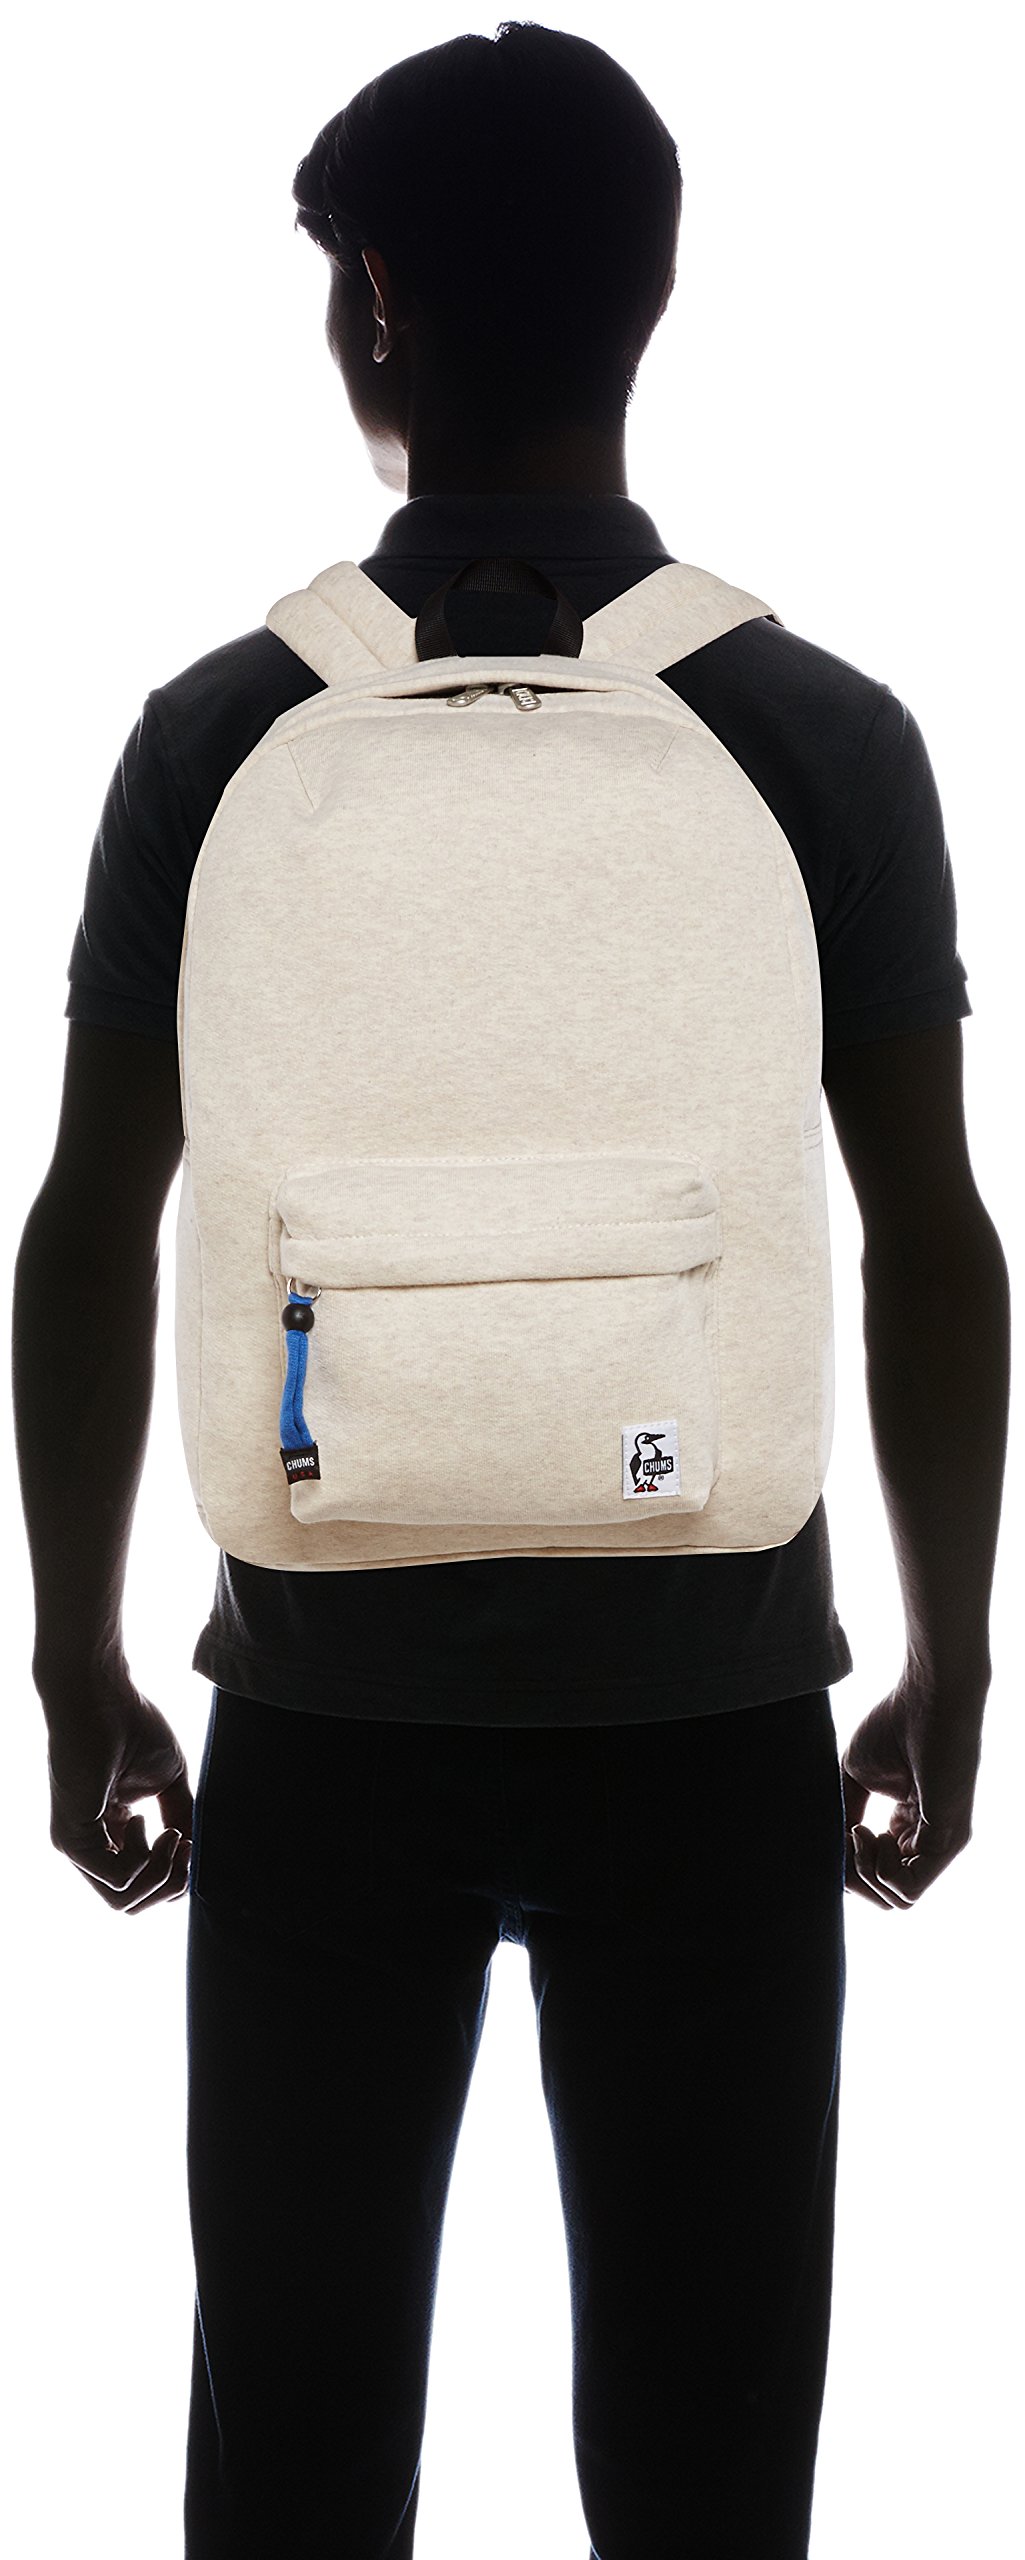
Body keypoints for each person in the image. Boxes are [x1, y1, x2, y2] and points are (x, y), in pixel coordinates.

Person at [11, 23, 1010, 2560]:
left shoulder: (216, 732)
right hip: (714, 1712)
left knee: (292, 2460)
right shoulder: (819, 730)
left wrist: (78, 1655)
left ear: (373, 303)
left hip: (323, 1707)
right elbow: (931, 1227)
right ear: (653, 295)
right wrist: (951, 1654)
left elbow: (92, 1216)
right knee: (707, 2475)